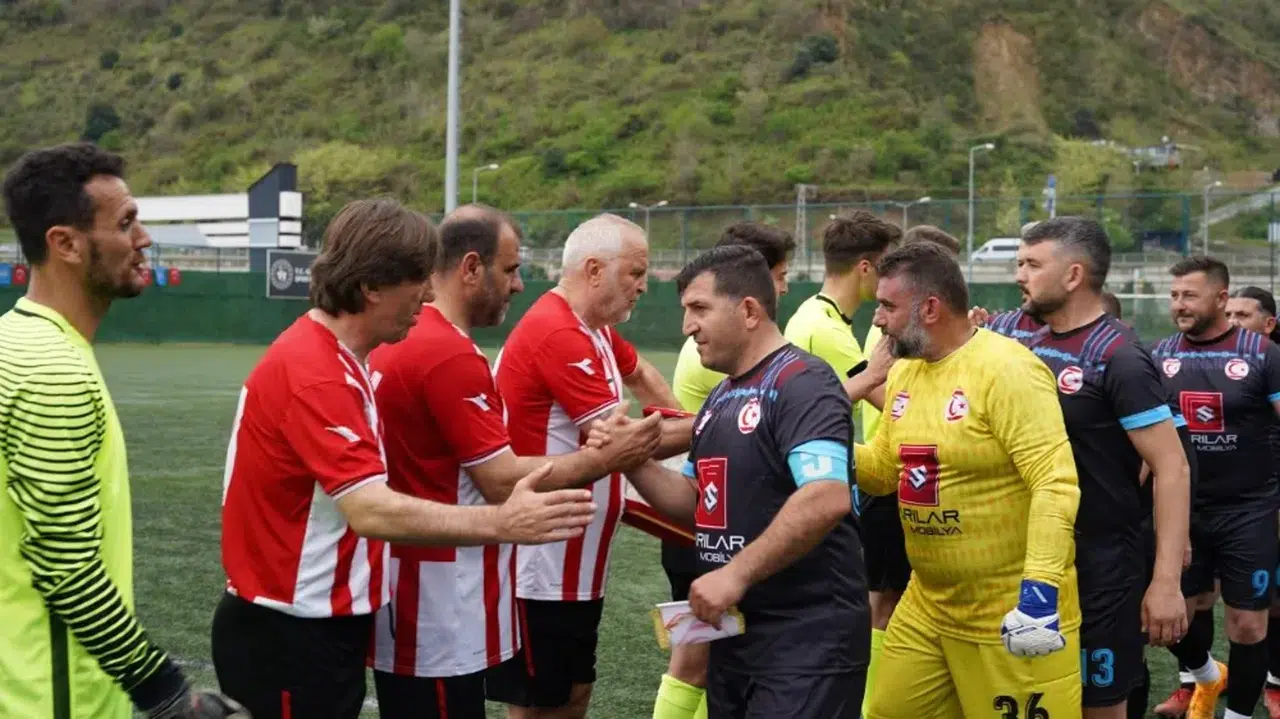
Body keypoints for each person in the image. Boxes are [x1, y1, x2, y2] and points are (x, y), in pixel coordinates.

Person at [212, 199, 598, 719]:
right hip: (289, 631)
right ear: (371, 286)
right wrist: (503, 521)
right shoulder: (318, 372)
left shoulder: (343, 361)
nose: (427, 292)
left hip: (316, 626)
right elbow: (371, 510)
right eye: (417, 277)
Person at [365, 205, 664, 718]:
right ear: (471, 268)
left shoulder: (406, 346)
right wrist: (607, 458)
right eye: (510, 269)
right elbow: (500, 481)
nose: (520, 285)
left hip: (418, 586)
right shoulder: (446, 353)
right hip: (442, 597)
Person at [0, 143, 245, 719]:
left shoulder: (18, 339)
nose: (144, 240)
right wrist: (164, 692)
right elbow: (66, 563)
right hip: (53, 697)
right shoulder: (50, 369)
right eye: (127, 222)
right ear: (65, 243)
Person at [614, 244, 869, 717]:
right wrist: (628, 459)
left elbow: (826, 495)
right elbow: (696, 502)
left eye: (699, 309)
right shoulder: (722, 397)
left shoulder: (803, 382)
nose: (687, 326)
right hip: (734, 636)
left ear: (749, 310)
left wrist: (735, 573)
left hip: (806, 642)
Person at [854, 242, 1083, 718]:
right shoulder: (904, 373)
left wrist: (1039, 594)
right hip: (929, 605)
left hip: (1011, 615)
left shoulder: (1008, 370)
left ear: (931, 308)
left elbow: (1054, 483)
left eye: (888, 306)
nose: (878, 319)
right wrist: (817, 444)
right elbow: (881, 474)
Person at [487, 213, 687, 719]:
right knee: (540, 704)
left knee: (572, 696)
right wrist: (729, 423)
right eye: (635, 274)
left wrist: (683, 427)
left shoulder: (592, 329)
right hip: (542, 562)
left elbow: (640, 373)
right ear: (594, 270)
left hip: (576, 563)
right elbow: (629, 445)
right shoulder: (558, 332)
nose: (644, 286)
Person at [993, 217, 1190, 719]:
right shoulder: (1026, 345)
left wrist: (1165, 581)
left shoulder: (1119, 356)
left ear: (1074, 274)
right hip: (1027, 558)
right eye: (1020, 263)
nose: (1020, 275)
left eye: (1033, 264)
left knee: (1096, 707)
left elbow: (1171, 468)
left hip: (1100, 564)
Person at [657, 221, 795, 719]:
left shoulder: (771, 375)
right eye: (777, 275)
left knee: (706, 661)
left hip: (737, 552)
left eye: (697, 310)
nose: (783, 287)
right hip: (713, 544)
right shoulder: (724, 375)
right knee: (697, 660)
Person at [1150, 257, 1280, 719]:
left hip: (1250, 510)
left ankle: (1238, 715)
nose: (1179, 305)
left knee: (1247, 625)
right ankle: (1206, 673)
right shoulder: (1157, 355)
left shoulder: (1263, 354)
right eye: (1174, 296)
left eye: (1190, 295)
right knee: (1170, 621)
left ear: (1221, 298)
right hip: (1182, 510)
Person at [1224, 286, 1280, 719]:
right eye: (1230, 313)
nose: (1233, 321)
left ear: (1269, 323)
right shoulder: (1216, 364)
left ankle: (1274, 683)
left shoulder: (1269, 362)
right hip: (1239, 504)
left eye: (1243, 314)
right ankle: (1199, 677)